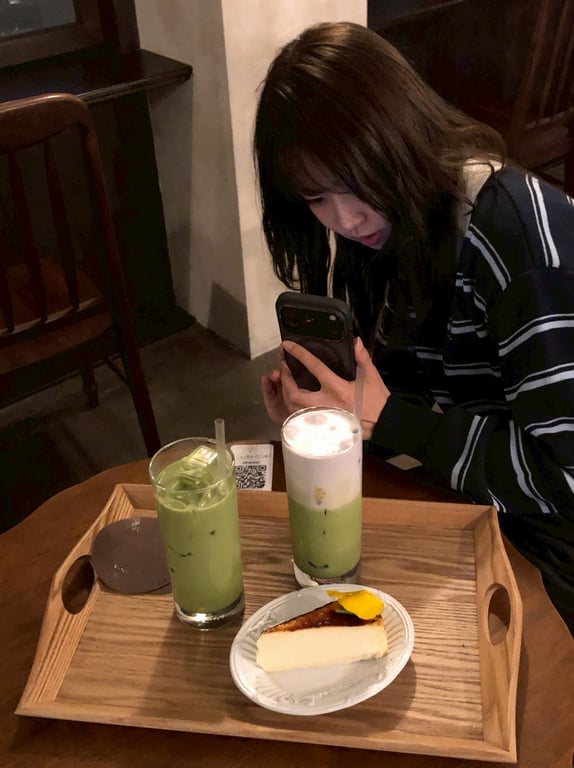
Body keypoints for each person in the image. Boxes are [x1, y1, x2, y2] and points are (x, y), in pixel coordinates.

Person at [253, 21, 574, 634]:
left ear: (397, 138)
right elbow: (411, 397)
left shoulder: (517, 237)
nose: (345, 220)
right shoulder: (388, 230)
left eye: (353, 184)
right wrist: (331, 420)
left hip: (549, 542)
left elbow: (564, 478)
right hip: (469, 502)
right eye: (317, 199)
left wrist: (388, 419)